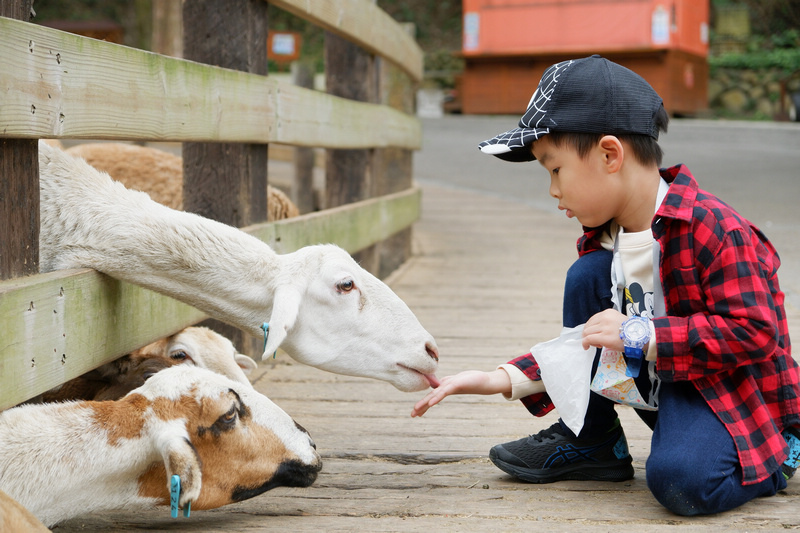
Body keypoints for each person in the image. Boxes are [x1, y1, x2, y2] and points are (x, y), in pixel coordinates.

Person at [411, 55, 800, 516]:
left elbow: (754, 332)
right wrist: (502, 379)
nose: (553, 190)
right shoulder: (606, 240)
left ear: (610, 155)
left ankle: (776, 454)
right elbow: (587, 339)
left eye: (555, 170)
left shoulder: (715, 229)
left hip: (729, 396)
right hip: (666, 382)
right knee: (587, 277)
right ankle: (592, 440)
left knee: (681, 483)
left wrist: (641, 334)